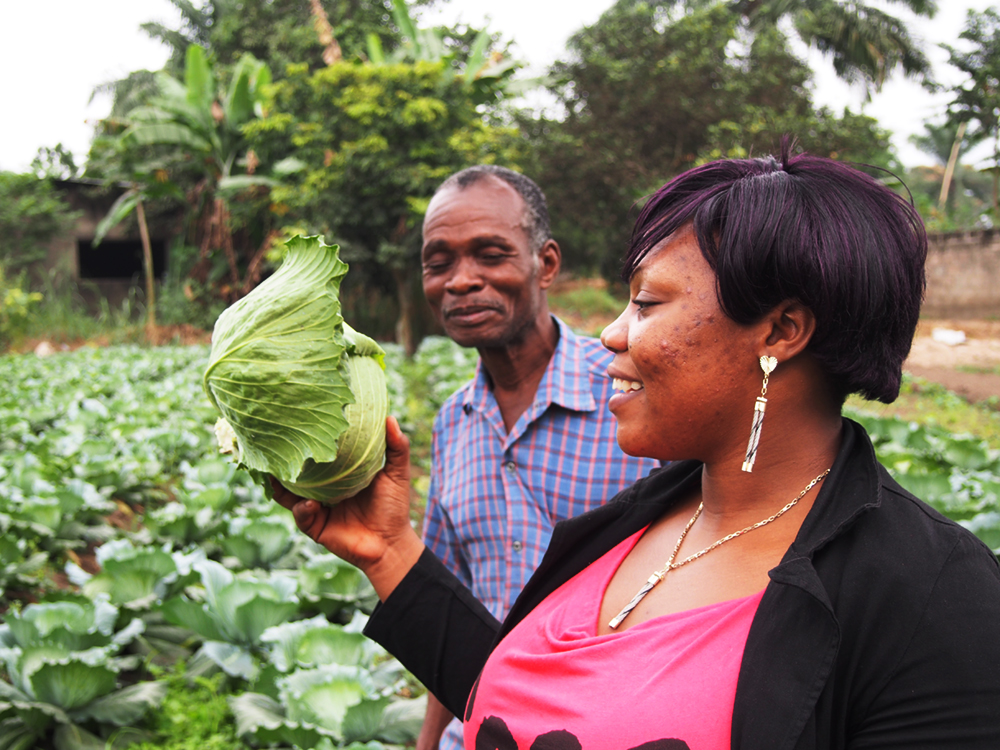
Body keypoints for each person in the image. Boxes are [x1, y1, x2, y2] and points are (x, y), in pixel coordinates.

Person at [275, 147, 1000, 749]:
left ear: (780, 331)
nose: (612, 335)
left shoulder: (936, 597)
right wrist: (387, 549)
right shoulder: (635, 521)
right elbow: (519, 703)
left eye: (647, 303)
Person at [415, 165, 661, 748]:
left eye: (490, 254)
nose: (461, 281)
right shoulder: (454, 422)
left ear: (545, 264)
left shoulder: (632, 395)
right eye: (438, 262)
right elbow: (451, 610)